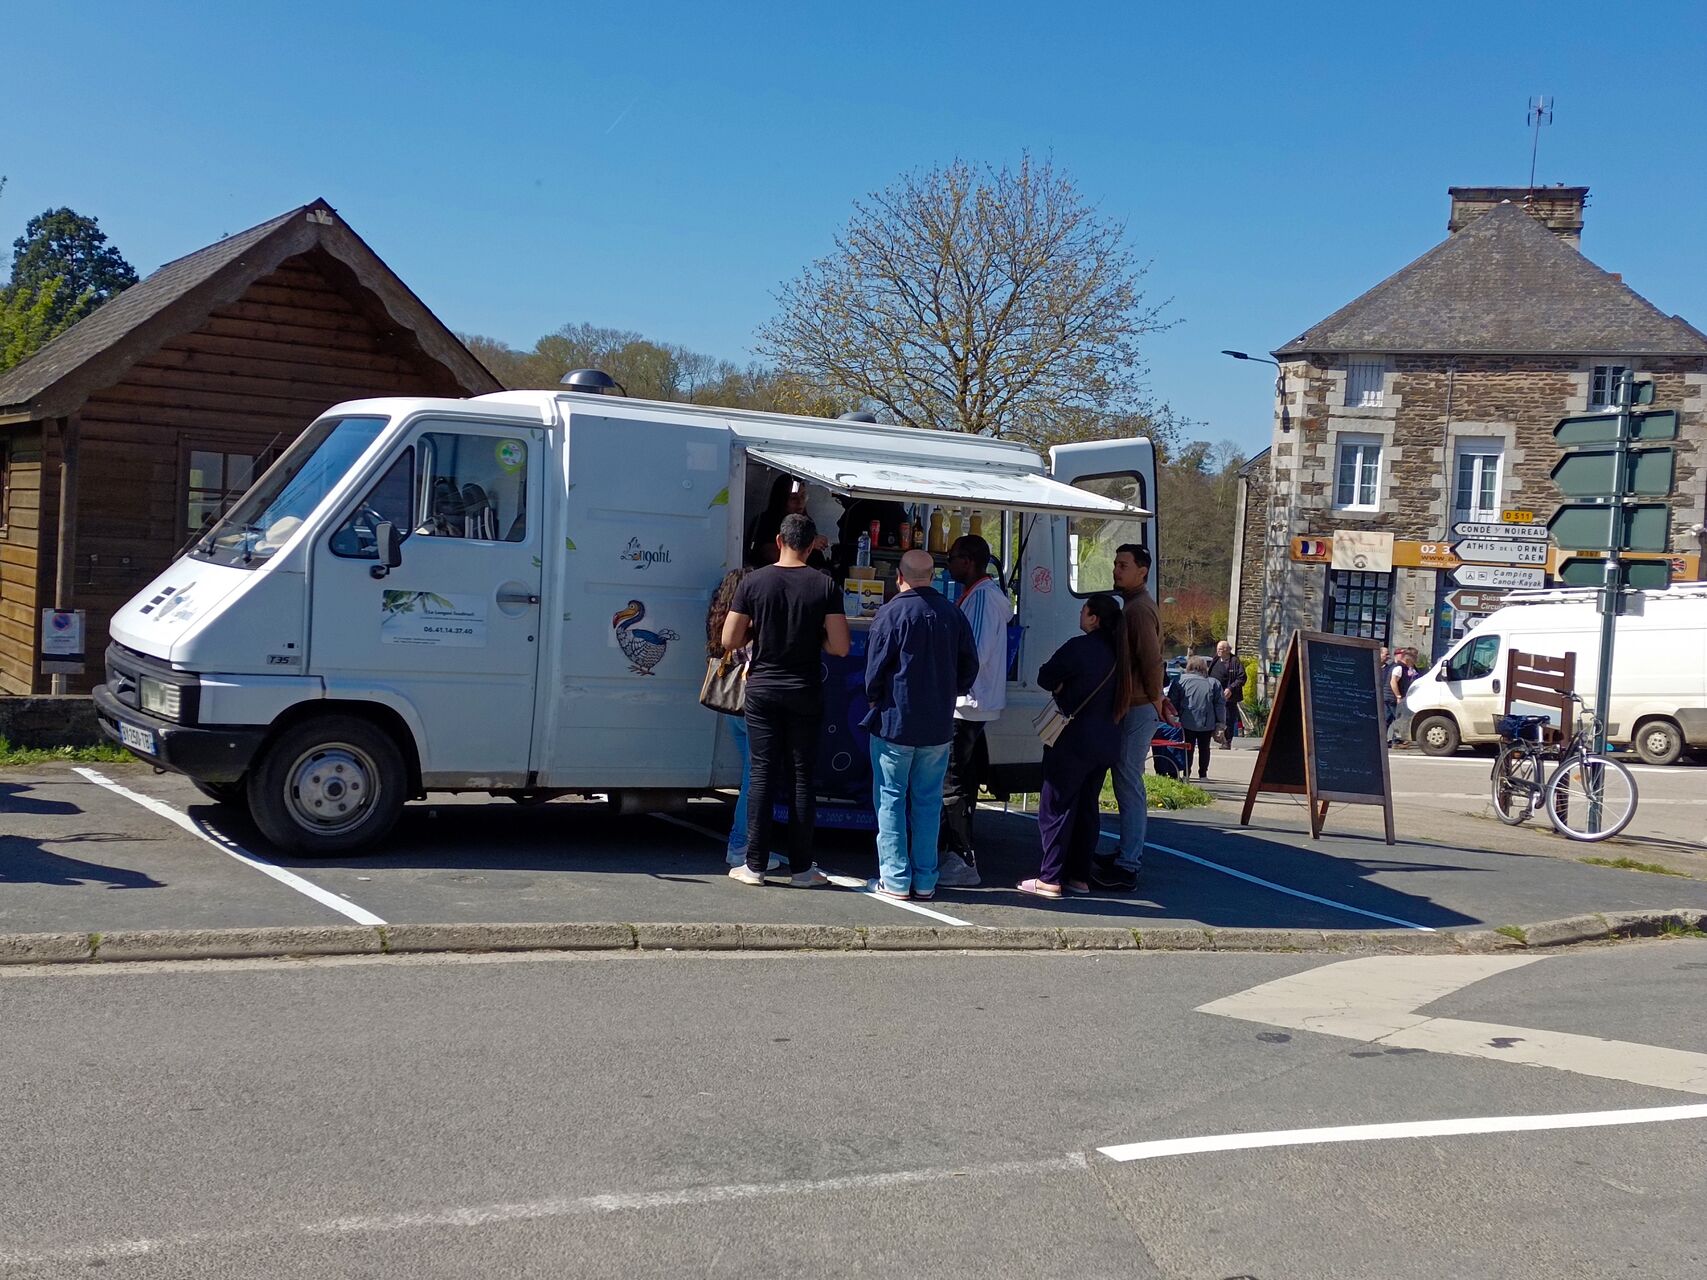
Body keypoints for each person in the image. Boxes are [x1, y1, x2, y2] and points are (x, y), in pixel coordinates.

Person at [722, 513, 850, 886]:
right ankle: (802, 868)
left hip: (762, 687)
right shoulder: (824, 585)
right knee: (801, 778)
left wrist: (758, 635)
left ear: (779, 541)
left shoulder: (754, 582)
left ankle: (754, 865)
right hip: (805, 689)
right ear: (811, 547)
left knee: (761, 774)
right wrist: (817, 641)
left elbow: (730, 639)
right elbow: (840, 646)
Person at [862, 550, 979, 900]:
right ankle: (926, 879)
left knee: (891, 799)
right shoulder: (953, 614)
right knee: (928, 802)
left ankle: (895, 879)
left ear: (900, 576)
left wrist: (876, 697)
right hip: (938, 725)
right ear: (932, 575)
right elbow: (969, 668)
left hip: (895, 721)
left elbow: (874, 672)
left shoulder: (891, 613)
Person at [1018, 594, 1128, 899]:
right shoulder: (1121, 653)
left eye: (1084, 610)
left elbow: (1044, 676)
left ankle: (1050, 877)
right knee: (1087, 808)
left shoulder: (1079, 647)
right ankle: (1079, 876)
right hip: (1107, 740)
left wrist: (1062, 686)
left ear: (1093, 618)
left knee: (1055, 806)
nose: (1080, 614)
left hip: (1073, 739)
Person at [936, 534, 1014, 888]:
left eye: (952, 557)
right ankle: (954, 852)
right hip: (972, 702)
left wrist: (944, 681)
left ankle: (962, 857)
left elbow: (975, 652)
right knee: (960, 780)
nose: (948, 564)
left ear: (968, 561)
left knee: (952, 781)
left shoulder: (982, 597)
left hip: (966, 703)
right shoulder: (983, 595)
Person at [1098, 544, 1175, 893]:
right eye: (1115, 564)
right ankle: (1124, 853)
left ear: (1142, 570)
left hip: (1139, 705)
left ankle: (1129, 862)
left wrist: (1157, 698)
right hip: (1136, 703)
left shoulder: (1139, 610)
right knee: (1124, 779)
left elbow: (1151, 658)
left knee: (1129, 781)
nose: (1117, 570)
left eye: (1124, 565)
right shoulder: (1133, 604)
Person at [704, 567, 782, 873]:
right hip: (754, 706)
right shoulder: (753, 624)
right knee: (755, 779)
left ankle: (745, 843)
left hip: (733, 706)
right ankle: (740, 845)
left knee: (751, 777)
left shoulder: (719, 620)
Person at [1166, 656, 1225, 780]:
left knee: (1188, 747)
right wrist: (1220, 723)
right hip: (1207, 722)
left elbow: (1173, 701)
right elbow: (1219, 705)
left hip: (1186, 720)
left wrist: (1173, 717)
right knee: (1204, 748)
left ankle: (1186, 774)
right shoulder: (1213, 683)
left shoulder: (1180, 681)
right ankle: (1203, 774)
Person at [1207, 640, 1246, 741]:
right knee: (1212, 716)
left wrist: (1231, 688)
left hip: (1229, 697)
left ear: (1228, 650)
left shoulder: (1235, 661)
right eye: (1218, 649)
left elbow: (1242, 678)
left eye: (1221, 649)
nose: (1219, 651)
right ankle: (1212, 737)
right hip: (1215, 695)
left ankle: (1227, 741)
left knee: (1228, 719)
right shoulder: (1215, 659)